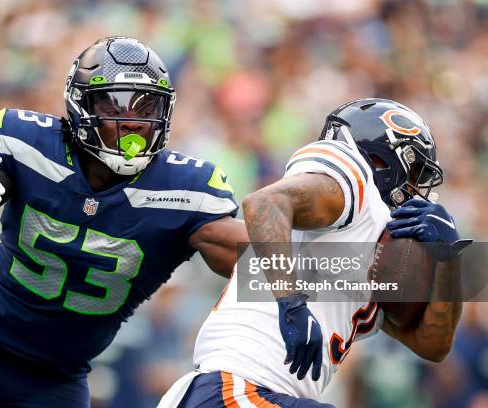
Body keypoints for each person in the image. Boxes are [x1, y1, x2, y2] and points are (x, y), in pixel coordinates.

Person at [0, 37, 247, 407]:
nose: (133, 122)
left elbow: (253, 257)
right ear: (80, 105)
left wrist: (301, 290)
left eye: (147, 106)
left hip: (54, 377)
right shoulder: (28, 142)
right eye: (115, 104)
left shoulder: (185, 191)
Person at [159, 98, 471, 407]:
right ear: (381, 159)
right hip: (234, 387)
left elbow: (433, 345)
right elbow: (264, 204)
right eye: (414, 171)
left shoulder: (377, 256)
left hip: (258, 396)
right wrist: (291, 304)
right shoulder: (354, 180)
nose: (417, 189)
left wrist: (449, 258)